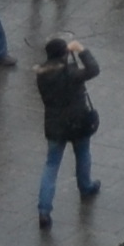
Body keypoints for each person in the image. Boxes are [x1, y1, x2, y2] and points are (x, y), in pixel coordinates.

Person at [34, 35, 105, 219]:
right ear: (64, 54)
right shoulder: (71, 73)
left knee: (51, 165)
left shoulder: (41, 75)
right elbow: (93, 69)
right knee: (82, 153)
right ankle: (85, 186)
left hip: (54, 125)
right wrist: (81, 50)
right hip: (78, 122)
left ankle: (44, 209)